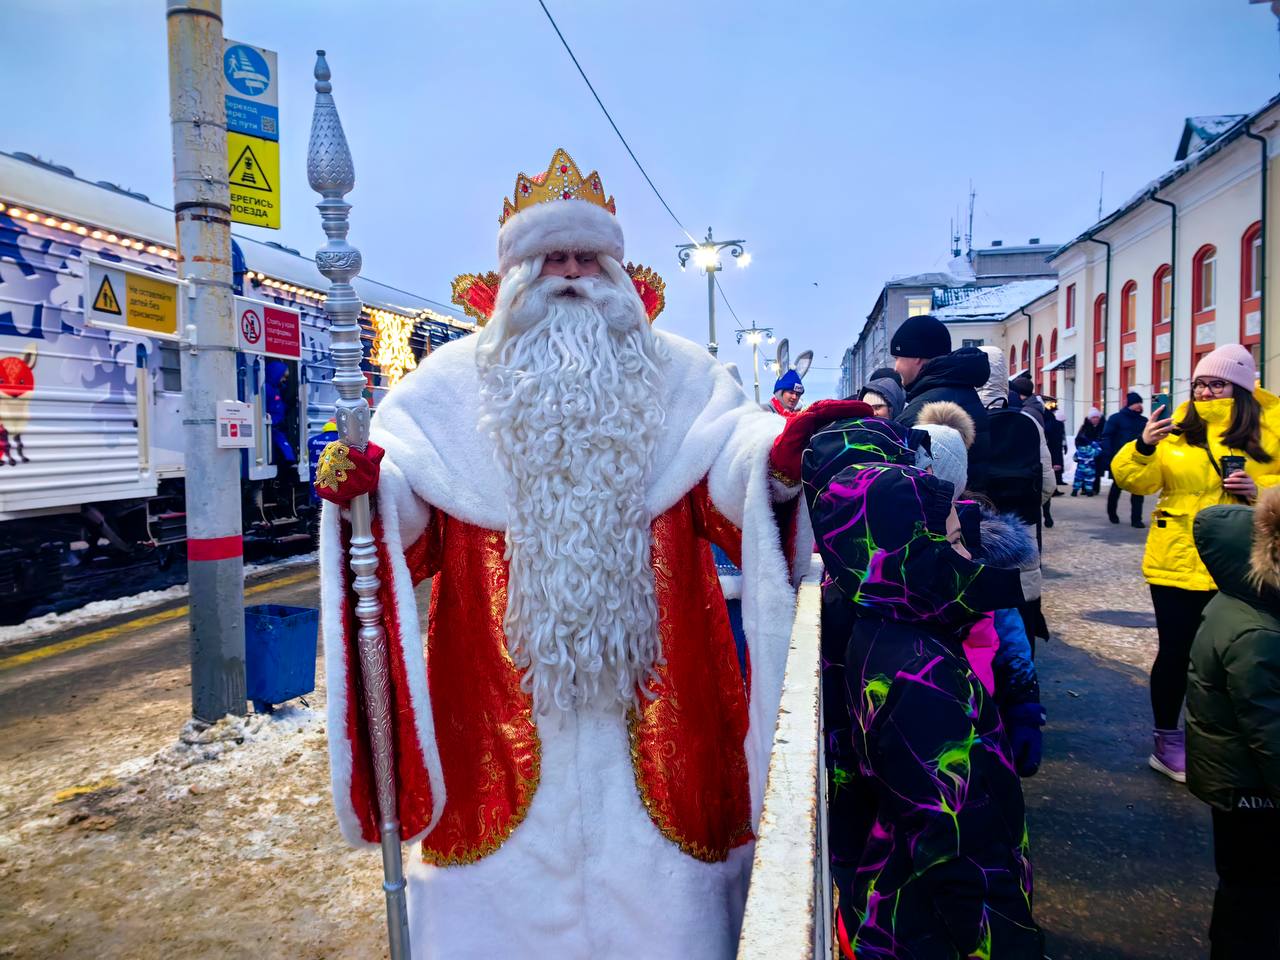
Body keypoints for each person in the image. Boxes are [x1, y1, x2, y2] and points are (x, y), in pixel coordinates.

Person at [313, 148, 864, 958]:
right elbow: (402, 521)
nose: (569, 276)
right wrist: (365, 486)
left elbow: (733, 472)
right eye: (549, 259)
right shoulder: (445, 387)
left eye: (584, 258)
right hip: (499, 711)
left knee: (665, 915)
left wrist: (779, 462)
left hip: (659, 707)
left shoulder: (684, 378)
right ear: (512, 278)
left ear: (616, 270)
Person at [804, 457, 1042, 958]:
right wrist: (1007, 941)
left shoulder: (884, 624)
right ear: (903, 555)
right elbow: (956, 849)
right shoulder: (920, 679)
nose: (967, 554)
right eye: (954, 542)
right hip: (927, 931)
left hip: (893, 905)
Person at [1112, 343, 1280, 782]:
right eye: (1200, 383)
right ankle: (1167, 740)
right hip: (1177, 558)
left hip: (1247, 560)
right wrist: (1144, 447)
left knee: (1243, 654)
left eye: (1217, 383)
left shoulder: (1271, 427)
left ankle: (1231, 739)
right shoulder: (1177, 428)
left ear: (1240, 388)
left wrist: (1258, 491)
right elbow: (1135, 480)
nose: (1205, 392)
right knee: (1176, 652)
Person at [1186, 491, 1280, 957]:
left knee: (1243, 887)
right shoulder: (1258, 634)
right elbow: (1270, 735)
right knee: (1253, 894)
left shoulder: (1239, 602)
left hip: (1235, 783)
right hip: (1252, 792)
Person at [893, 314, 992, 491]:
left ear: (916, 356)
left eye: (897, 358)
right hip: (968, 504)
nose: (895, 367)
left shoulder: (923, 407)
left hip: (943, 511)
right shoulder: (962, 390)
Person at [1103, 392, 1149, 527]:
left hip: (1138, 460)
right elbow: (1106, 437)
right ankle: (1112, 513)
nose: (1140, 406)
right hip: (1120, 460)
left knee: (1138, 490)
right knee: (1116, 488)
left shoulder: (1143, 421)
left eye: (1141, 403)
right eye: (1137, 403)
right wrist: (1108, 455)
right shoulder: (1116, 419)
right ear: (1129, 404)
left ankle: (1136, 519)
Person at [1072, 409, 1105, 496]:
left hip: (1097, 454)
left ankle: (1095, 489)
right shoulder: (1084, 427)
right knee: (1082, 471)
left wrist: (1099, 447)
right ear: (1090, 418)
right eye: (1093, 417)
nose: (1095, 419)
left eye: (1097, 417)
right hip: (1086, 454)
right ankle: (1084, 489)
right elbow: (1078, 440)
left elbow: (1105, 439)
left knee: (1096, 472)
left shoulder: (1102, 427)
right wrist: (1082, 450)